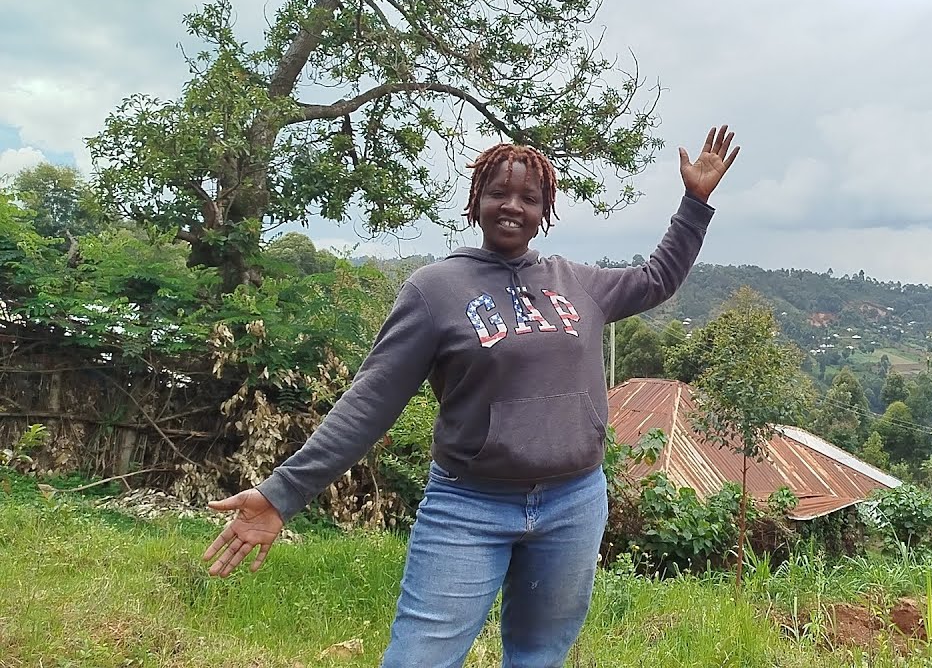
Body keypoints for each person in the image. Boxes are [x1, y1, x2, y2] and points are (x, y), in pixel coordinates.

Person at [201, 124, 740, 667]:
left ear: (544, 209)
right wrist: (281, 494)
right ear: (475, 201)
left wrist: (694, 203)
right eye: (498, 193)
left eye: (529, 197)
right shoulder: (434, 290)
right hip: (469, 505)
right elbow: (370, 403)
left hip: (573, 502)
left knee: (537, 656)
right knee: (420, 658)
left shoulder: (577, 282)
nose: (512, 206)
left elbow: (657, 279)